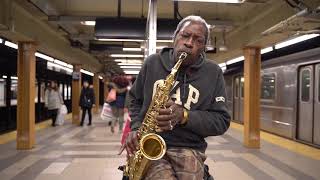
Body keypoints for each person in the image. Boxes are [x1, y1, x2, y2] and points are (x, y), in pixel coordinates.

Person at [120, 15, 231, 180]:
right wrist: (136, 128)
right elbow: (134, 100)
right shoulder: (152, 63)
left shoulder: (213, 72)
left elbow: (222, 121)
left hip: (189, 148)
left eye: (198, 40)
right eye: (185, 36)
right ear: (175, 37)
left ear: (203, 48)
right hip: (148, 144)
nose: (189, 43)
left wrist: (184, 116)